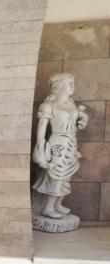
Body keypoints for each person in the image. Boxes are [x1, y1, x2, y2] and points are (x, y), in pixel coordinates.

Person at [32, 73, 88, 219]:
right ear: (60, 86)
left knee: (67, 176)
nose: (72, 87)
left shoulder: (71, 105)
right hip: (58, 144)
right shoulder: (48, 106)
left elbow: (77, 124)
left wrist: (82, 116)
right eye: (70, 84)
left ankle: (57, 204)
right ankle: (48, 208)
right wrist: (40, 150)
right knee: (56, 175)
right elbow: (41, 130)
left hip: (71, 142)